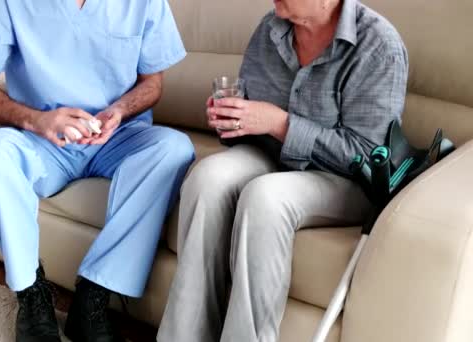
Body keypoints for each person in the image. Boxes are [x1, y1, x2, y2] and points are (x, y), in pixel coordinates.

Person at [157, 0, 408, 341]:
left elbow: (367, 156)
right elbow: (251, 110)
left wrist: (281, 124)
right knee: (208, 178)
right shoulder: (271, 29)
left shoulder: (378, 44)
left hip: (347, 181)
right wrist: (232, 119)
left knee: (265, 197)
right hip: (271, 157)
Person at [0, 0, 194, 341]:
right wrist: (38, 120)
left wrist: (120, 110)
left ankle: (92, 297)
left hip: (118, 137)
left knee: (174, 148)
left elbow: (153, 82)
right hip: (42, 140)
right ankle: (33, 294)